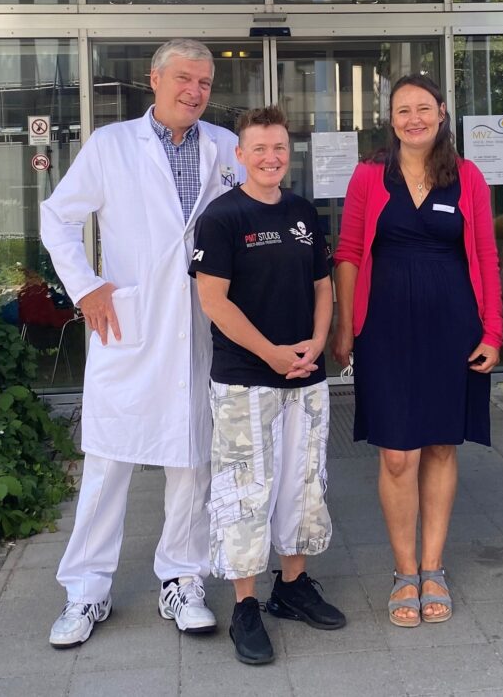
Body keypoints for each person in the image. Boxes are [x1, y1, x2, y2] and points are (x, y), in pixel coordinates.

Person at [39, 38, 243, 648]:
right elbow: (57, 217)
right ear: (154, 80)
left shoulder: (225, 148)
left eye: (205, 83)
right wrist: (87, 287)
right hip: (127, 323)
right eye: (184, 78)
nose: (195, 92)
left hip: (202, 326)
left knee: (192, 459)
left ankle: (181, 578)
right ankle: (86, 589)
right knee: (107, 462)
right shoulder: (111, 146)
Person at [331, 74, 503, 628]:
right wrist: (344, 327)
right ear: (391, 118)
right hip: (385, 329)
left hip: (454, 328)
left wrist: (493, 331)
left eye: (423, 108)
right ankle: (405, 573)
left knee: (441, 447)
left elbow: (486, 254)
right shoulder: (367, 177)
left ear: (442, 112)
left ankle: (434, 568)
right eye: (403, 110)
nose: (414, 118)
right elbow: (350, 251)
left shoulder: (468, 177)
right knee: (397, 453)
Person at [190, 105, 345, 665]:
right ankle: (246, 606)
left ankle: (293, 587)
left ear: (288, 152)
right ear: (241, 156)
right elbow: (213, 301)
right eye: (259, 149)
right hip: (245, 380)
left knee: (301, 484)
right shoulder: (223, 217)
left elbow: (323, 286)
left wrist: (317, 341)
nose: (270, 158)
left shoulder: (304, 212)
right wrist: (272, 355)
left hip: (306, 375)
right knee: (246, 491)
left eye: (279, 148)